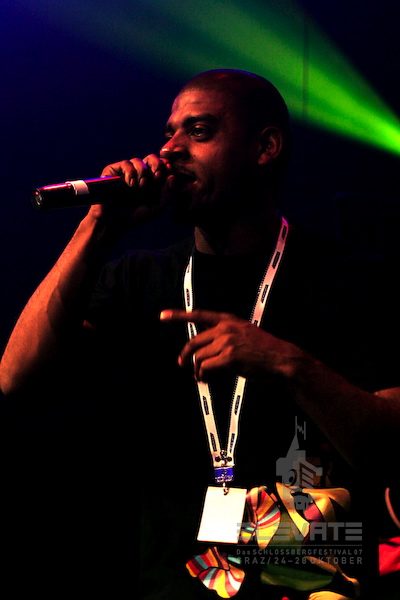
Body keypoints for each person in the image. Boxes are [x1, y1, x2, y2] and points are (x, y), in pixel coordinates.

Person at [1, 69, 400, 599]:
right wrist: (99, 224)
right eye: (169, 133)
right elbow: (18, 377)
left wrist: (287, 365)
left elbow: (392, 449)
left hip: (317, 586)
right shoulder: (140, 279)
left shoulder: (356, 278)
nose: (170, 150)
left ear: (265, 148)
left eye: (199, 131)